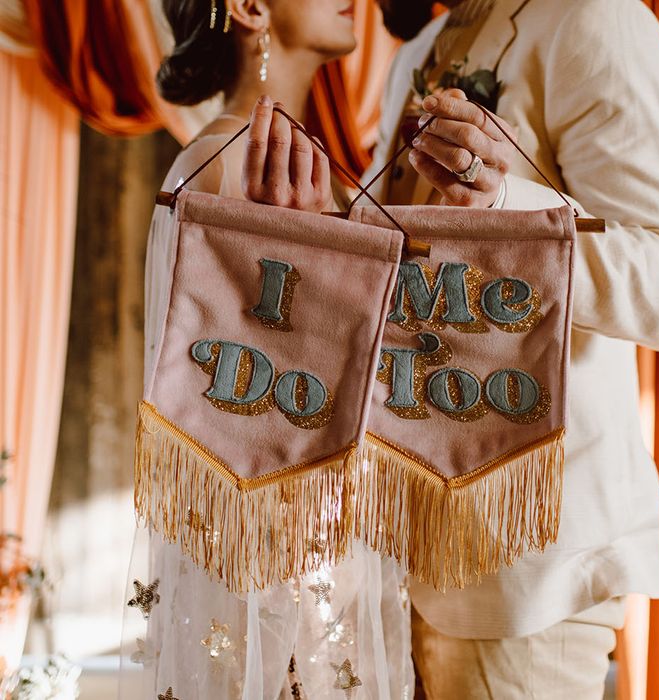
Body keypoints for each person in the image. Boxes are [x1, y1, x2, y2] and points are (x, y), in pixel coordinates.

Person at [359, 0, 659, 696]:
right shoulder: (419, 48)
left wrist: (504, 209)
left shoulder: (595, 21)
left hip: (525, 565)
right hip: (397, 546)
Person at [120, 1, 413, 698]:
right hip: (283, 572)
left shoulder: (281, 158)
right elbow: (238, 408)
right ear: (250, 7)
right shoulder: (230, 166)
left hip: (321, 563)